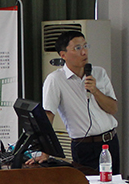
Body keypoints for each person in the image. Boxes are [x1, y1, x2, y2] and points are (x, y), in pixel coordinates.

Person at [40, 30, 120, 174]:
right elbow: (48, 116)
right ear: (63, 55)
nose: (84, 52)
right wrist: (45, 152)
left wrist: (95, 91)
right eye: (77, 48)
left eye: (85, 46)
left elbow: (113, 108)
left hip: (110, 142)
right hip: (84, 146)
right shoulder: (55, 80)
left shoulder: (99, 73)